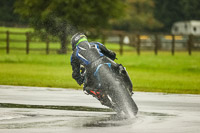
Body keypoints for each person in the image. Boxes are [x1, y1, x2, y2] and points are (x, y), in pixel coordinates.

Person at [70, 32, 117, 106]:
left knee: (87, 88)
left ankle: (105, 99)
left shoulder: (74, 55)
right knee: (119, 67)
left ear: (74, 43)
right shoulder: (96, 44)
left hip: (92, 69)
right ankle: (121, 73)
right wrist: (113, 55)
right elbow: (110, 53)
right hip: (105, 62)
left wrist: (80, 80)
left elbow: (75, 74)